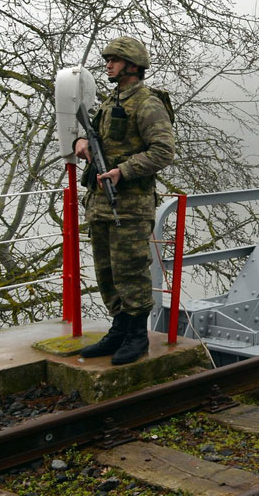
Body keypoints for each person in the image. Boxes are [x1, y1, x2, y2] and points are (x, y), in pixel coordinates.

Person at [74, 36, 176, 365]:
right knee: (106, 272)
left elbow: (163, 150)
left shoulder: (147, 103)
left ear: (132, 66)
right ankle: (119, 330)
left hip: (130, 206)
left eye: (115, 60)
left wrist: (124, 170)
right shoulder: (109, 103)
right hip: (101, 205)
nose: (108, 65)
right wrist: (81, 141)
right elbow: (97, 139)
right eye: (108, 60)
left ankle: (136, 335)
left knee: (131, 272)